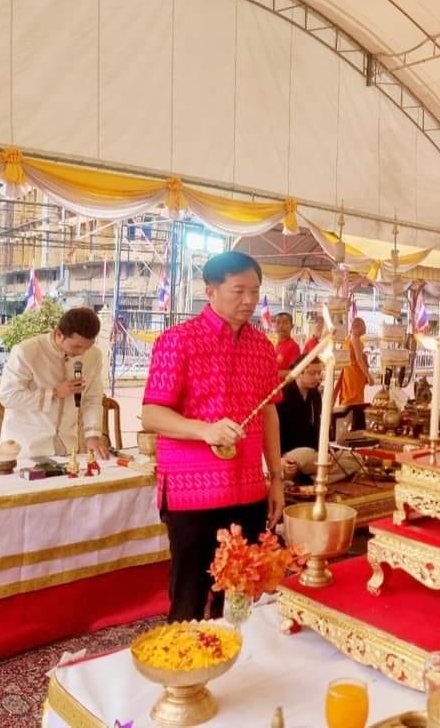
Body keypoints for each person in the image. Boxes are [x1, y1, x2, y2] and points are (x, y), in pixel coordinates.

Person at [140, 252, 284, 623]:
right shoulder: (177, 341)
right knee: (188, 595)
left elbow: (269, 412)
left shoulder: (261, 346)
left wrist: (277, 478)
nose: (249, 300)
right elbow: (152, 414)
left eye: (254, 291)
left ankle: (238, 668)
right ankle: (182, 675)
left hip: (248, 488)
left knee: (240, 595)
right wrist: (205, 430)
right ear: (210, 291)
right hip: (193, 494)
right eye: (238, 291)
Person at [0, 307, 107, 460]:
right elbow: (8, 397)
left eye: (87, 347)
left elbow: (93, 399)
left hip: (67, 448)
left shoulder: (94, 355)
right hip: (25, 449)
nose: (82, 353)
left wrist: (92, 435)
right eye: (76, 346)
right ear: (59, 334)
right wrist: (53, 393)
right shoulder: (27, 352)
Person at [276, 354, 322, 455]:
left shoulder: (315, 394)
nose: (317, 377)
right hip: (289, 453)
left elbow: (317, 427)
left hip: (313, 451)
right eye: (312, 373)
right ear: (298, 373)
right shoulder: (283, 395)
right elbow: (276, 432)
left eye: (319, 373)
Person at [337, 317, 371, 405]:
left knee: (349, 398)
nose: (365, 328)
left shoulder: (349, 338)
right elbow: (359, 360)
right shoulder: (355, 339)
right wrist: (369, 376)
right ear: (357, 327)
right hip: (353, 375)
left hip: (349, 373)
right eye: (363, 326)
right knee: (353, 401)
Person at [273, 312, 301, 380]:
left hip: (285, 388)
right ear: (274, 326)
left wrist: (272, 373)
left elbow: (295, 372)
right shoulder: (275, 345)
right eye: (278, 323)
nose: (281, 326)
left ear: (291, 326)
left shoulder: (293, 347)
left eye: (285, 323)